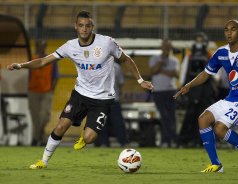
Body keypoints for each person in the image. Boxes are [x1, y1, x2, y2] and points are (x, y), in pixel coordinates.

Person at [7, 10, 153, 169]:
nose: (84, 29)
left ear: (92, 27)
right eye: (81, 25)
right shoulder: (70, 46)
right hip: (80, 95)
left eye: (88, 26)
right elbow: (43, 61)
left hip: (102, 99)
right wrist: (21, 65)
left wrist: (140, 80)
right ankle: (43, 161)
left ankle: (84, 139)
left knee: (89, 138)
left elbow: (126, 59)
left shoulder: (106, 43)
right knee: (61, 126)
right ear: (75, 27)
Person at [174, 19, 238, 174]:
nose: (229, 33)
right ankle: (216, 164)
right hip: (231, 98)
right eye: (226, 30)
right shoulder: (221, 52)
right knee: (203, 119)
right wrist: (188, 85)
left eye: (233, 29)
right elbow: (206, 73)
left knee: (219, 128)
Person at [178, 32, 217, 147]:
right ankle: (185, 140)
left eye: (201, 41)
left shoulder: (210, 55)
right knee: (190, 115)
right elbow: (184, 71)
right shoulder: (189, 56)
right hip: (193, 89)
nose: (199, 43)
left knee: (205, 115)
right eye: (197, 40)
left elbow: (216, 73)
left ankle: (202, 141)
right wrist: (182, 85)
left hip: (206, 89)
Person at [149, 39, 179, 148]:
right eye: (165, 46)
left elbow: (175, 74)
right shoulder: (155, 58)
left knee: (172, 117)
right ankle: (167, 140)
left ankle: (172, 140)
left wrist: (161, 71)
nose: (166, 49)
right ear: (162, 47)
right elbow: (153, 71)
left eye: (168, 47)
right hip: (158, 91)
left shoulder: (174, 60)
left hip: (171, 91)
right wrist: (161, 62)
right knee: (163, 116)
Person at [28, 39, 59, 146]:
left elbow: (56, 77)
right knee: (35, 117)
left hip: (46, 91)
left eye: (43, 45)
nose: (41, 48)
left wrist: (51, 90)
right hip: (33, 91)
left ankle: (36, 137)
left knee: (45, 116)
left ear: (45, 47)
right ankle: (41, 138)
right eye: (39, 45)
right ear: (36, 46)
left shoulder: (50, 60)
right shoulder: (31, 59)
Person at [95, 61, 128, 147]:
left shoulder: (116, 67)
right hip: (101, 99)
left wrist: (120, 94)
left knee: (118, 123)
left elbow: (121, 83)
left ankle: (123, 142)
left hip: (114, 99)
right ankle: (103, 143)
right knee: (101, 123)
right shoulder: (96, 65)